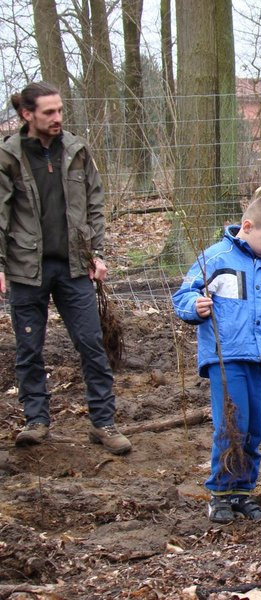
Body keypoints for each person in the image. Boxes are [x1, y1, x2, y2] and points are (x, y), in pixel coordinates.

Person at [0, 82, 131, 455]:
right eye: (49, 112)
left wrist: (98, 253)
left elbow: (95, 204)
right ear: (27, 114)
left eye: (59, 110)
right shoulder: (8, 157)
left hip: (74, 266)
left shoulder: (76, 150)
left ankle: (103, 423)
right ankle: (36, 421)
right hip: (26, 268)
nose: (58, 118)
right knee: (29, 348)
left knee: (91, 344)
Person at [172, 195, 261, 524]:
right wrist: (194, 306)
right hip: (227, 358)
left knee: (254, 428)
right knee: (231, 426)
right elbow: (183, 295)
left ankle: (242, 491)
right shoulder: (216, 257)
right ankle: (221, 493)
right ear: (247, 227)